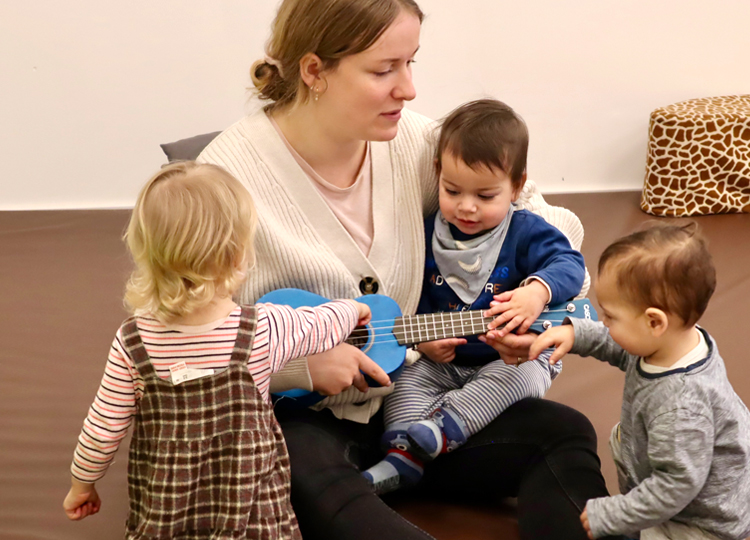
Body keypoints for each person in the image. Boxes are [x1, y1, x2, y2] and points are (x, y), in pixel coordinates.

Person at [198, 1, 620, 538]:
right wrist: (299, 368)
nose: (409, 89)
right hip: (309, 421)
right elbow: (175, 341)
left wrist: (535, 295)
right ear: (314, 71)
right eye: (384, 70)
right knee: (302, 469)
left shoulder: (419, 143)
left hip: (426, 405)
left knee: (566, 433)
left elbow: (547, 225)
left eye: (410, 62)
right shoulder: (220, 183)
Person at [62, 161, 382, 539]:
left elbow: (103, 428)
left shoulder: (134, 342)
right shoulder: (263, 328)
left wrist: (82, 484)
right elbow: (319, 324)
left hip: (168, 518)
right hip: (252, 516)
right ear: (236, 256)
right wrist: (353, 310)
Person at [361, 99, 586, 494]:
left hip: (505, 358)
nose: (466, 207)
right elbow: (407, 293)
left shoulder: (525, 231)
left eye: (485, 196)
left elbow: (570, 264)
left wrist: (537, 292)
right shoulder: (424, 232)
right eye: (452, 191)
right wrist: (422, 343)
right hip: (440, 362)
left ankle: (442, 430)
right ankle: (403, 454)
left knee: (523, 374)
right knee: (405, 380)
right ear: (438, 174)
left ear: (516, 186)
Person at [528, 223, 750, 540]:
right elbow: (622, 346)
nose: (604, 322)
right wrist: (577, 334)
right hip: (687, 472)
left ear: (654, 322)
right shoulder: (674, 341)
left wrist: (614, 513)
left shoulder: (680, 407)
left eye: (610, 316)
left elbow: (675, 486)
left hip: (701, 521)